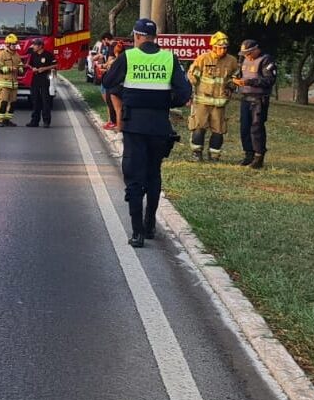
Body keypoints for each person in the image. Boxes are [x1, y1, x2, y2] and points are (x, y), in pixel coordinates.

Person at [104, 18, 192, 247]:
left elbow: (108, 80)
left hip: (134, 127)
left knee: (134, 178)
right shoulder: (169, 58)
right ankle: (150, 224)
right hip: (159, 126)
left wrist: (128, 93)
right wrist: (164, 102)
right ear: (156, 37)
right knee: (153, 175)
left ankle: (137, 233)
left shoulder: (128, 57)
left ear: (136, 36)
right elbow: (184, 93)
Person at [186, 31, 239, 161]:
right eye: (221, 47)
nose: (223, 50)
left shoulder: (232, 61)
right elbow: (192, 76)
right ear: (213, 47)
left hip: (220, 103)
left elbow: (235, 77)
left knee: (218, 130)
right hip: (202, 102)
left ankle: (214, 155)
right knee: (199, 127)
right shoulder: (203, 59)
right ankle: (197, 154)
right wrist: (191, 90)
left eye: (225, 47)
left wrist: (231, 87)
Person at [234, 39, 277, 169]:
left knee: (256, 127)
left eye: (249, 53)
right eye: (245, 54)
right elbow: (240, 73)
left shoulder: (266, 60)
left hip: (259, 99)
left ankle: (259, 157)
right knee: (244, 128)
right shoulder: (244, 60)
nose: (247, 56)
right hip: (245, 97)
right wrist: (236, 80)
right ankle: (248, 154)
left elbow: (269, 80)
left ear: (256, 50)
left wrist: (250, 82)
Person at [24, 38, 57, 127]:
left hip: (45, 80)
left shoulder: (48, 55)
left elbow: (55, 65)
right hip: (35, 80)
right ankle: (34, 121)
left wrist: (44, 68)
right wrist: (32, 68)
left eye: (35, 45)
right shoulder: (33, 55)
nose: (33, 47)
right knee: (35, 101)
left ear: (40, 46)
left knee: (45, 101)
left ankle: (46, 121)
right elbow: (28, 64)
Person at [0, 34, 24, 127]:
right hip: (4, 84)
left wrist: (20, 69)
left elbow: (21, 67)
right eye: (13, 44)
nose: (15, 46)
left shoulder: (17, 55)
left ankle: (7, 120)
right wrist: (10, 68)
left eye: (15, 44)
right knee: (2, 102)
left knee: (12, 104)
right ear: (7, 45)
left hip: (14, 84)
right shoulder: (1, 55)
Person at [101, 39, 126, 130]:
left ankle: (119, 129)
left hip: (115, 87)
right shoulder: (126, 59)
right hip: (125, 86)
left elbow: (110, 74)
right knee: (121, 109)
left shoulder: (116, 61)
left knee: (118, 109)